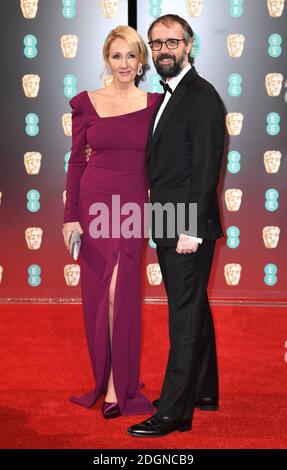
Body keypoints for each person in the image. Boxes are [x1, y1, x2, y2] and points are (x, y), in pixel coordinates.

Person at [127, 14, 226, 437]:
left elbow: (206, 170)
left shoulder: (202, 96)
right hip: (169, 217)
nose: (163, 50)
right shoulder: (170, 93)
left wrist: (192, 229)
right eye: (156, 44)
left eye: (172, 42)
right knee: (194, 307)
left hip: (187, 222)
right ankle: (202, 390)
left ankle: (174, 411)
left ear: (190, 45)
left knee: (182, 314)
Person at [62, 25, 161, 418]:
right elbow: (76, 160)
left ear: (141, 62)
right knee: (98, 296)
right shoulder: (86, 102)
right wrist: (70, 216)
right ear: (107, 59)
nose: (124, 63)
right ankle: (106, 380)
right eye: (117, 56)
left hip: (132, 204)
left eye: (131, 56)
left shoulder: (154, 104)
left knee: (121, 292)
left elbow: (162, 162)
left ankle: (120, 387)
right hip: (93, 203)